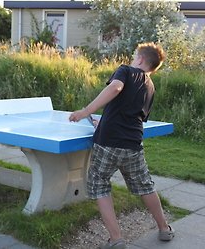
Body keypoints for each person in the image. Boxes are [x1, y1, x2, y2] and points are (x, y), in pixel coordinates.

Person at [69, 42, 174, 249]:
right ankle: (164, 229)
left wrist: (86, 111)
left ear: (141, 59)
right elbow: (131, 114)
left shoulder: (126, 70)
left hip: (108, 142)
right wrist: (104, 119)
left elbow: (116, 88)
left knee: (99, 185)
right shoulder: (150, 87)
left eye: (136, 55)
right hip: (133, 144)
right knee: (145, 186)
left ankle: (116, 239)